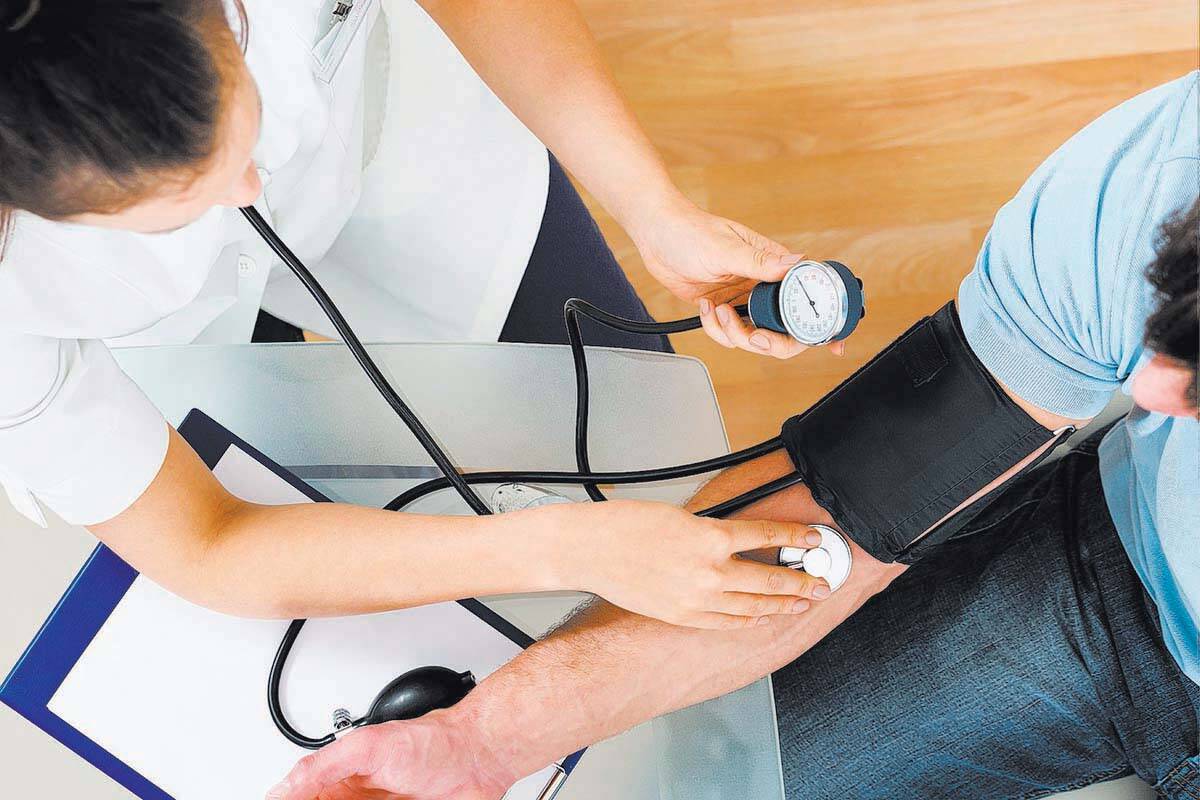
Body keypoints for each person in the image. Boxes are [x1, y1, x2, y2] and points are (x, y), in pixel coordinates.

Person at [268, 73, 1200, 800]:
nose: (1147, 389)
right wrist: (481, 741)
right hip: (1120, 590)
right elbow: (852, 502)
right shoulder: (1154, 186)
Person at [0, 0, 840, 631]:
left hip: (397, 151)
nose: (250, 190)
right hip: (168, 336)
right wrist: (563, 548)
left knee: (647, 433)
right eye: (177, 209)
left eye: (241, 125)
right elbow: (208, 544)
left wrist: (654, 208)